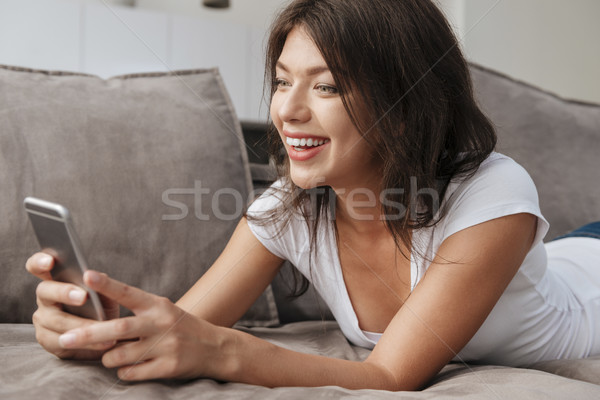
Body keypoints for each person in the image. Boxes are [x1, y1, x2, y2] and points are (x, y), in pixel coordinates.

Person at [25, 0, 600, 391]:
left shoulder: (492, 191)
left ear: (407, 105)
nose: (288, 110)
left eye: (326, 85)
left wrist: (224, 352)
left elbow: (390, 378)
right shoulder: (288, 207)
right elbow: (185, 323)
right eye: (282, 80)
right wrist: (99, 329)